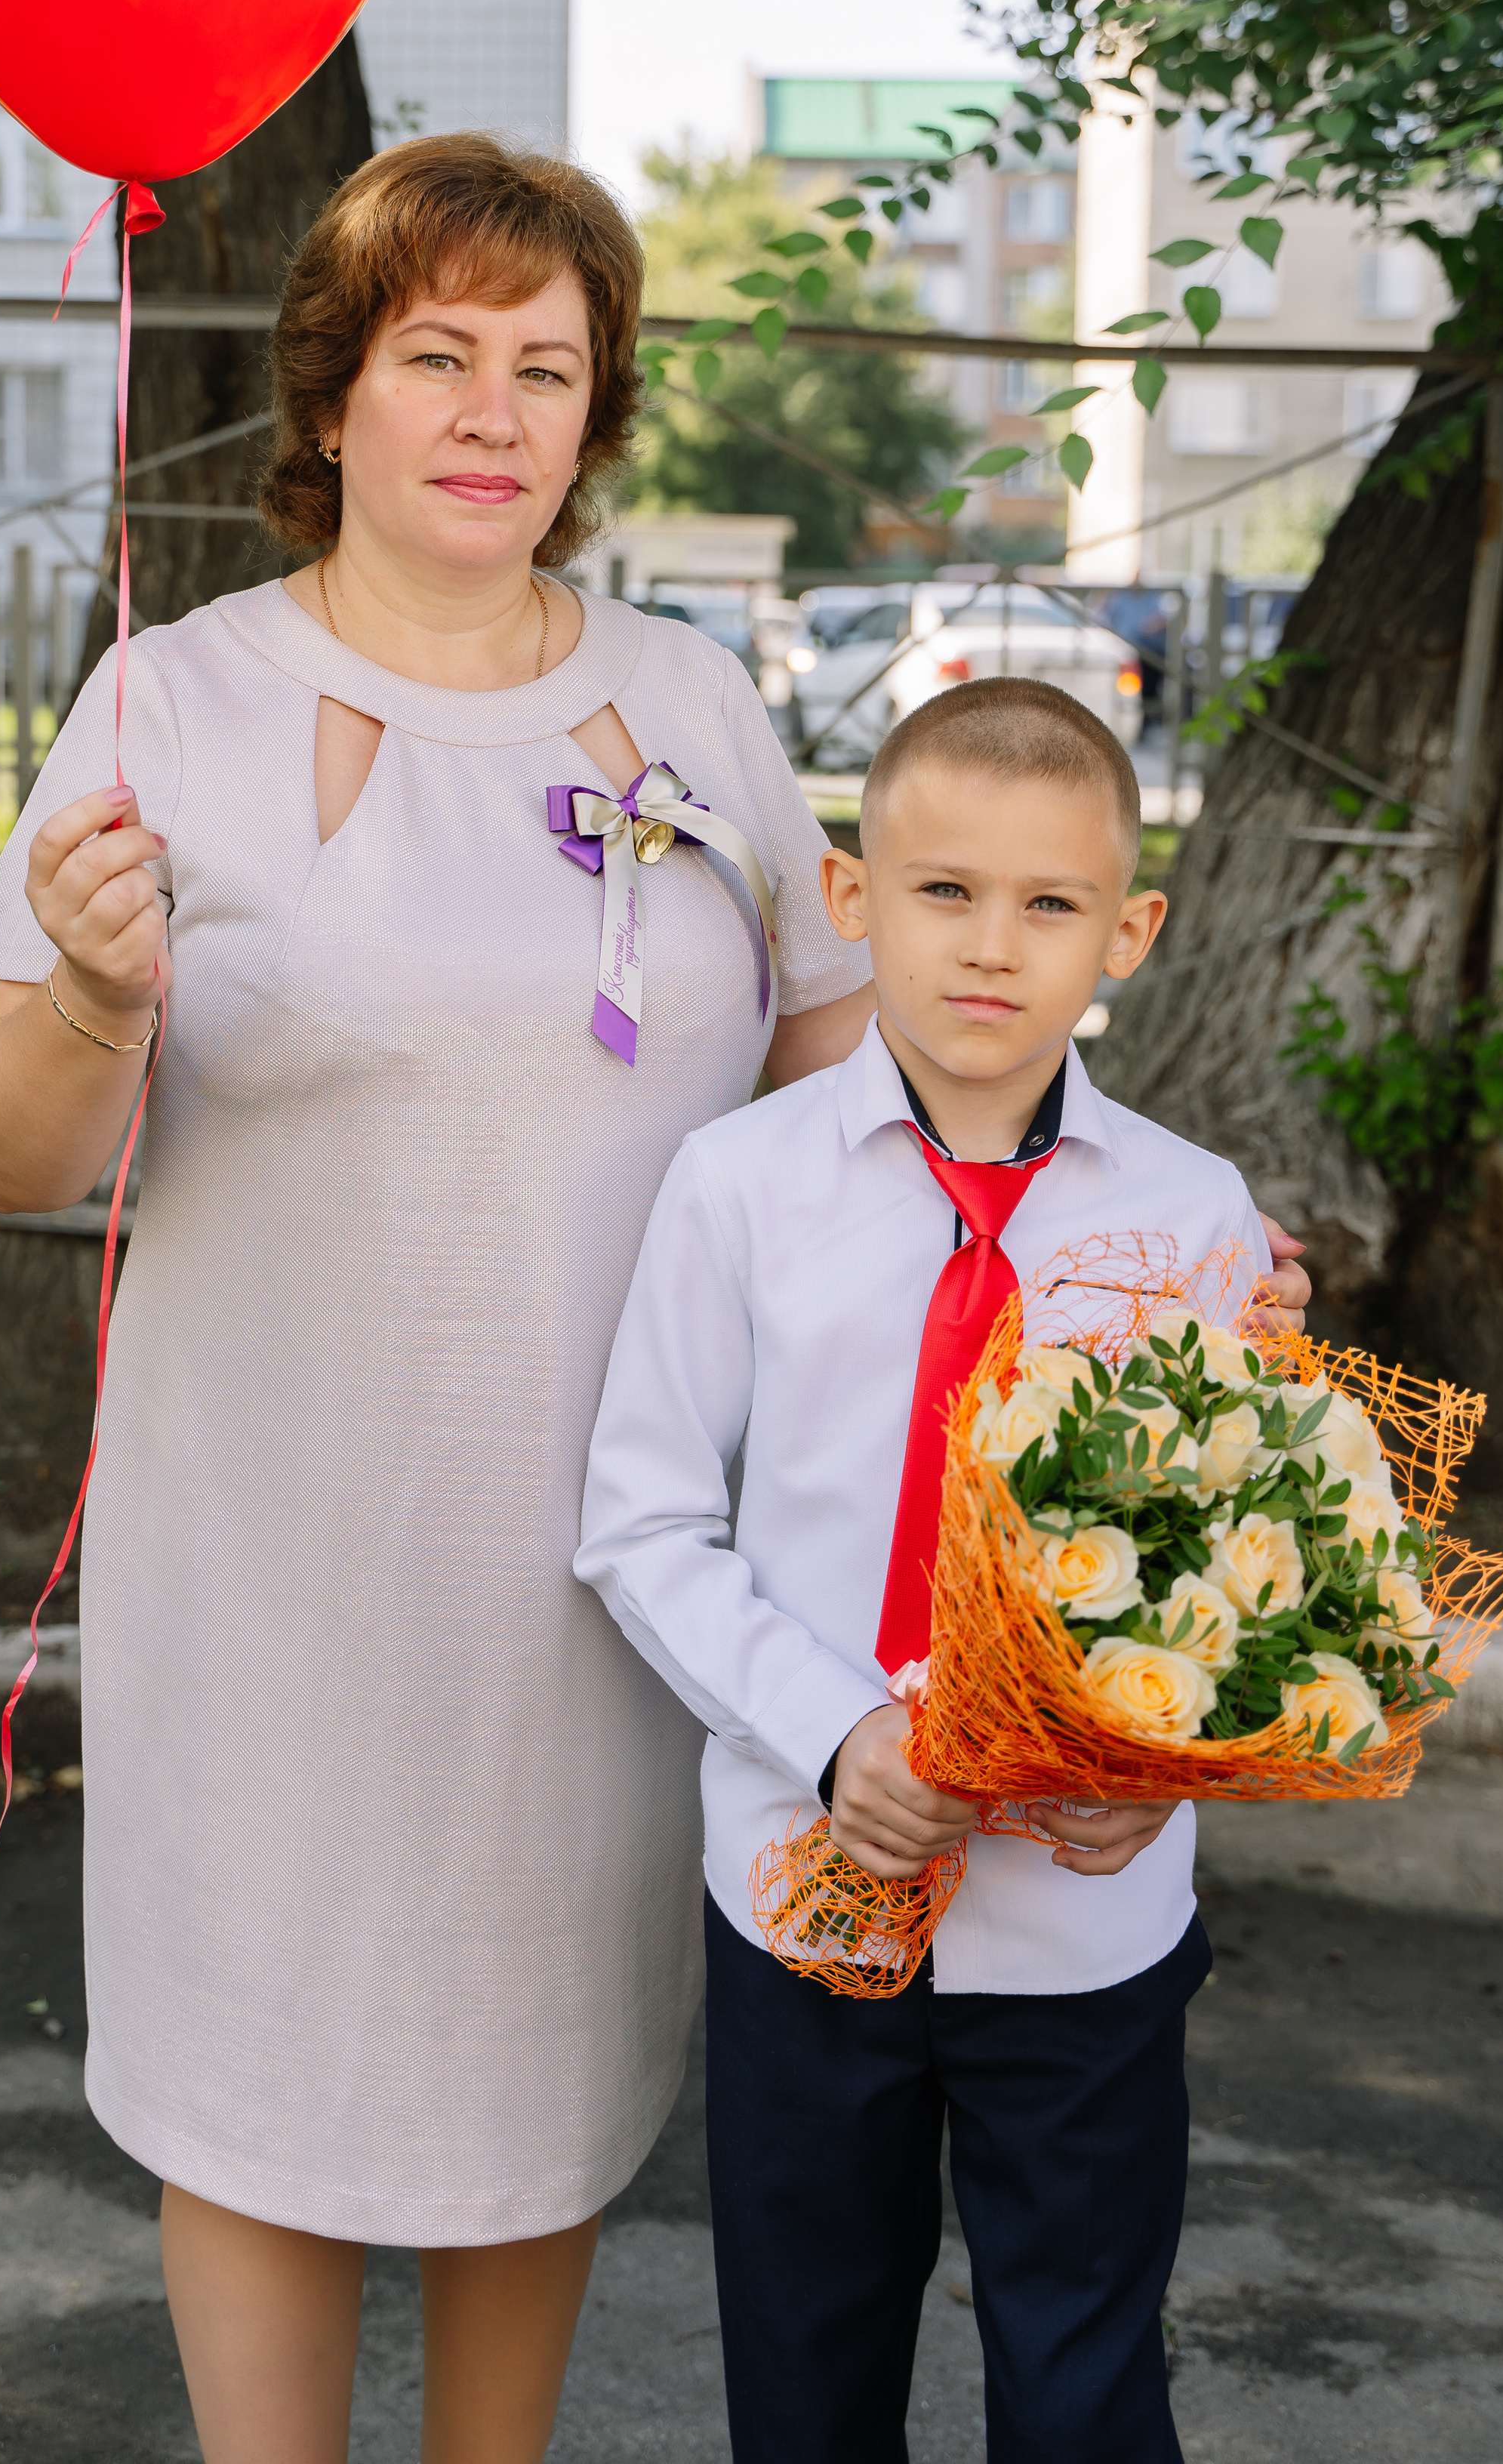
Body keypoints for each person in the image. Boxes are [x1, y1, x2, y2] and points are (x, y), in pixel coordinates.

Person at [0, 133, 1310, 2464]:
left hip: (638, 1578)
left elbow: (865, 1128)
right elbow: (5, 1148)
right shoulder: (169, 700)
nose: (492, 410)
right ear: (338, 393)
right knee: (265, 2076)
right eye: (439, 354)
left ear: (596, 416)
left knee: (533, 2091)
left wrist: (1158, 1277)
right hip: (279, 1557)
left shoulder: (695, 706)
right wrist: (85, 990)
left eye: (545, 367)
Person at [576, 677, 1278, 2464]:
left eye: (1048, 905)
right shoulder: (734, 1189)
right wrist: (830, 1739)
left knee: (1084, 2382)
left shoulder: (1193, 1219)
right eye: (941, 891)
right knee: (808, 2391)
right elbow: (644, 1523)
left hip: (1084, 1927)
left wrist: (1170, 1756)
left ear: (1128, 932)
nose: (989, 947)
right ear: (846, 897)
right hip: (808, 1899)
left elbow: (1237, 1568)